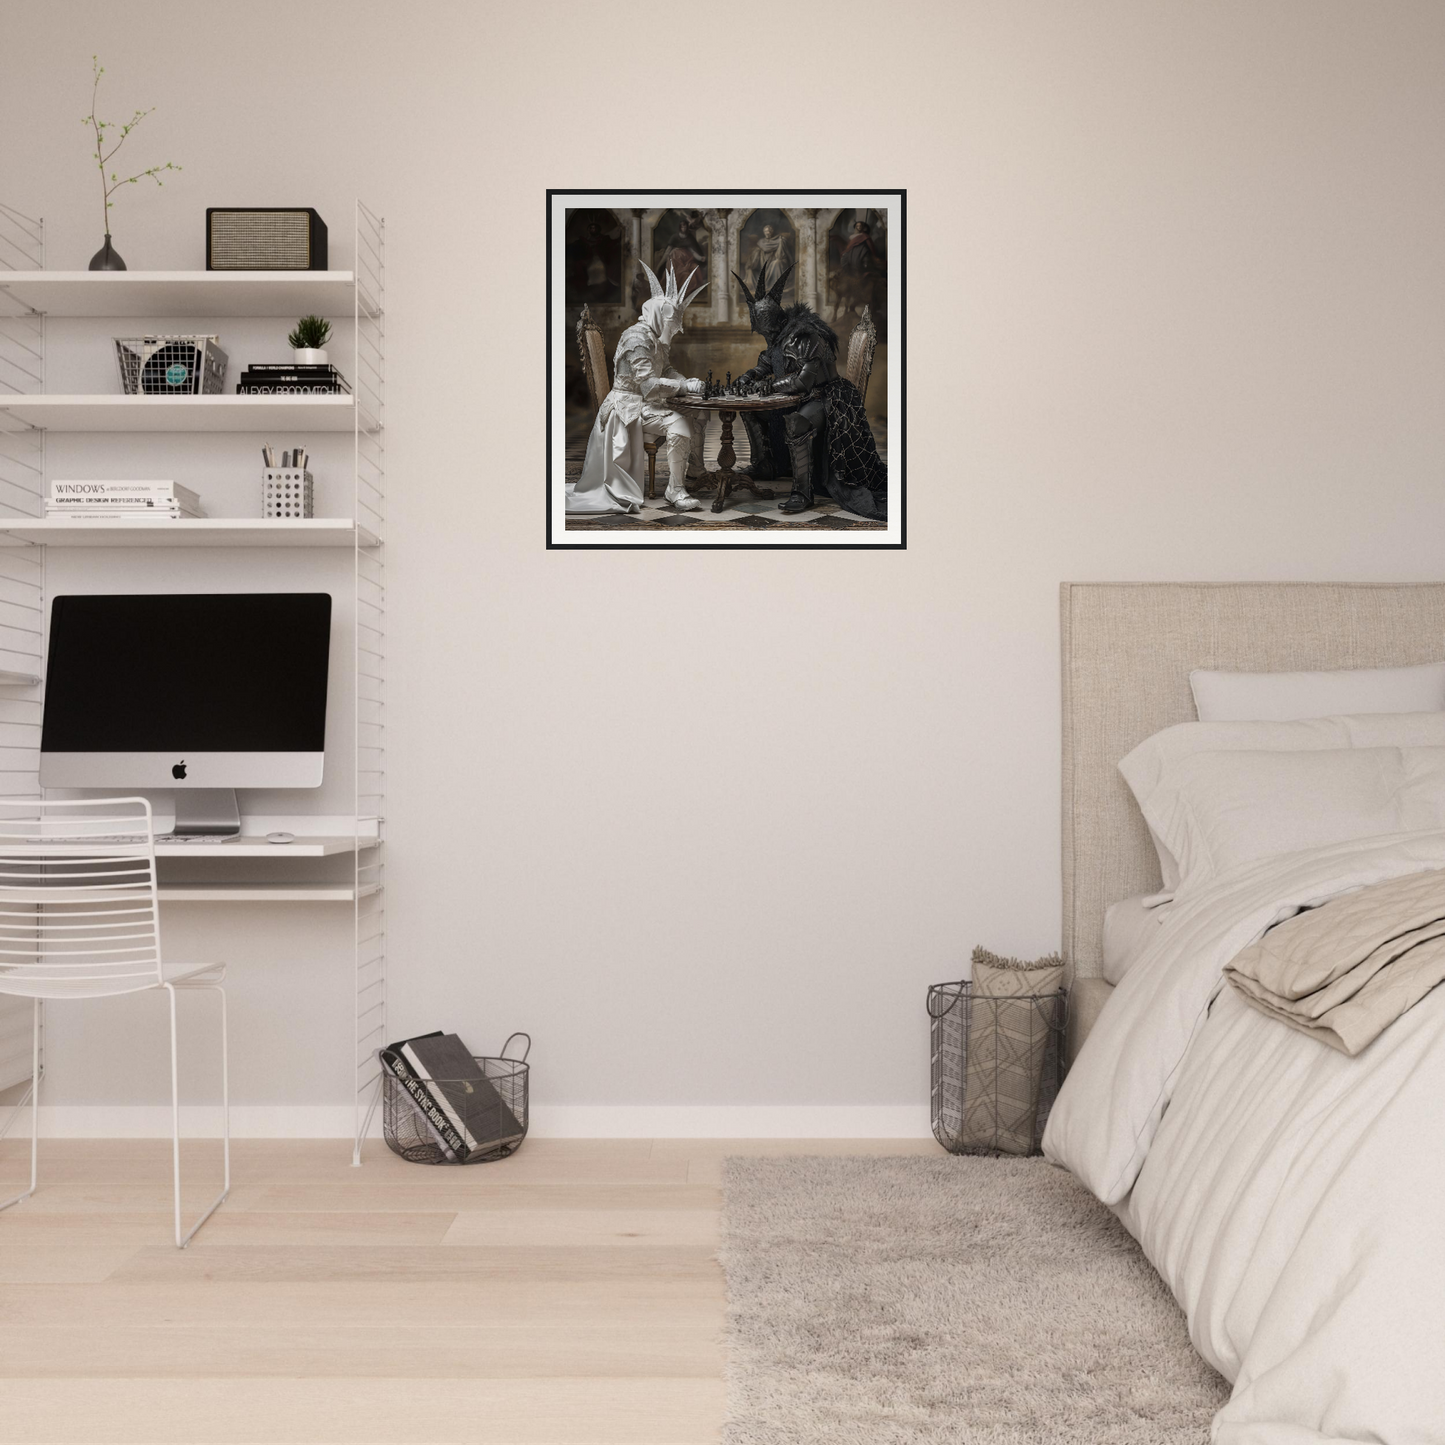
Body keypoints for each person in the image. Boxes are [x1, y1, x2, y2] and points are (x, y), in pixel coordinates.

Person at [732, 262, 886, 521]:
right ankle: (765, 465)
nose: (766, 338)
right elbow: (767, 363)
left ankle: (802, 493)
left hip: (828, 397)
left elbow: (804, 382)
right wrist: (749, 376)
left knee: (797, 422)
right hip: (801, 396)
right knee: (751, 411)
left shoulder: (805, 336)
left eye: (766, 332)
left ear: (774, 322)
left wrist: (768, 386)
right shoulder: (779, 337)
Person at [566, 262, 710, 515]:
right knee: (679, 424)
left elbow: (665, 370)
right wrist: (684, 386)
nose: (674, 330)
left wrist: (685, 381)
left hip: (643, 401)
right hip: (627, 407)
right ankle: (674, 491)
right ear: (659, 316)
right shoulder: (637, 338)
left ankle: (695, 471)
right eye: (672, 323)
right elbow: (649, 387)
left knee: (700, 413)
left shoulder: (655, 338)